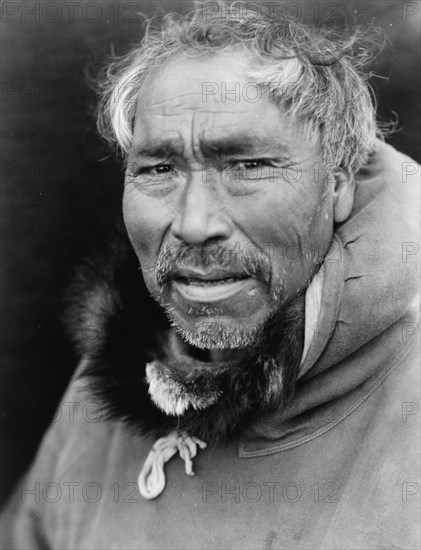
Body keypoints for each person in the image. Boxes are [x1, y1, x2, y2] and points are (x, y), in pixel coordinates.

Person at [1, 3, 419, 549]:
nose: (194, 224)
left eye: (247, 166)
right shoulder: (121, 365)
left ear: (337, 184)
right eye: (157, 169)